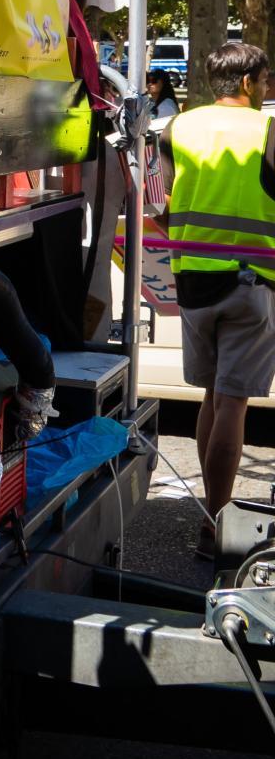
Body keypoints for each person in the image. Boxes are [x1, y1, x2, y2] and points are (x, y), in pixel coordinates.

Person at [159, 42, 275, 558]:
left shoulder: (178, 127)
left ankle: (209, 512)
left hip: (192, 281)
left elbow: (160, 203)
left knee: (211, 395)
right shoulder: (267, 130)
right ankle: (216, 525)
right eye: (265, 81)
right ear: (248, 82)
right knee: (232, 401)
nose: (266, 90)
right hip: (252, 282)